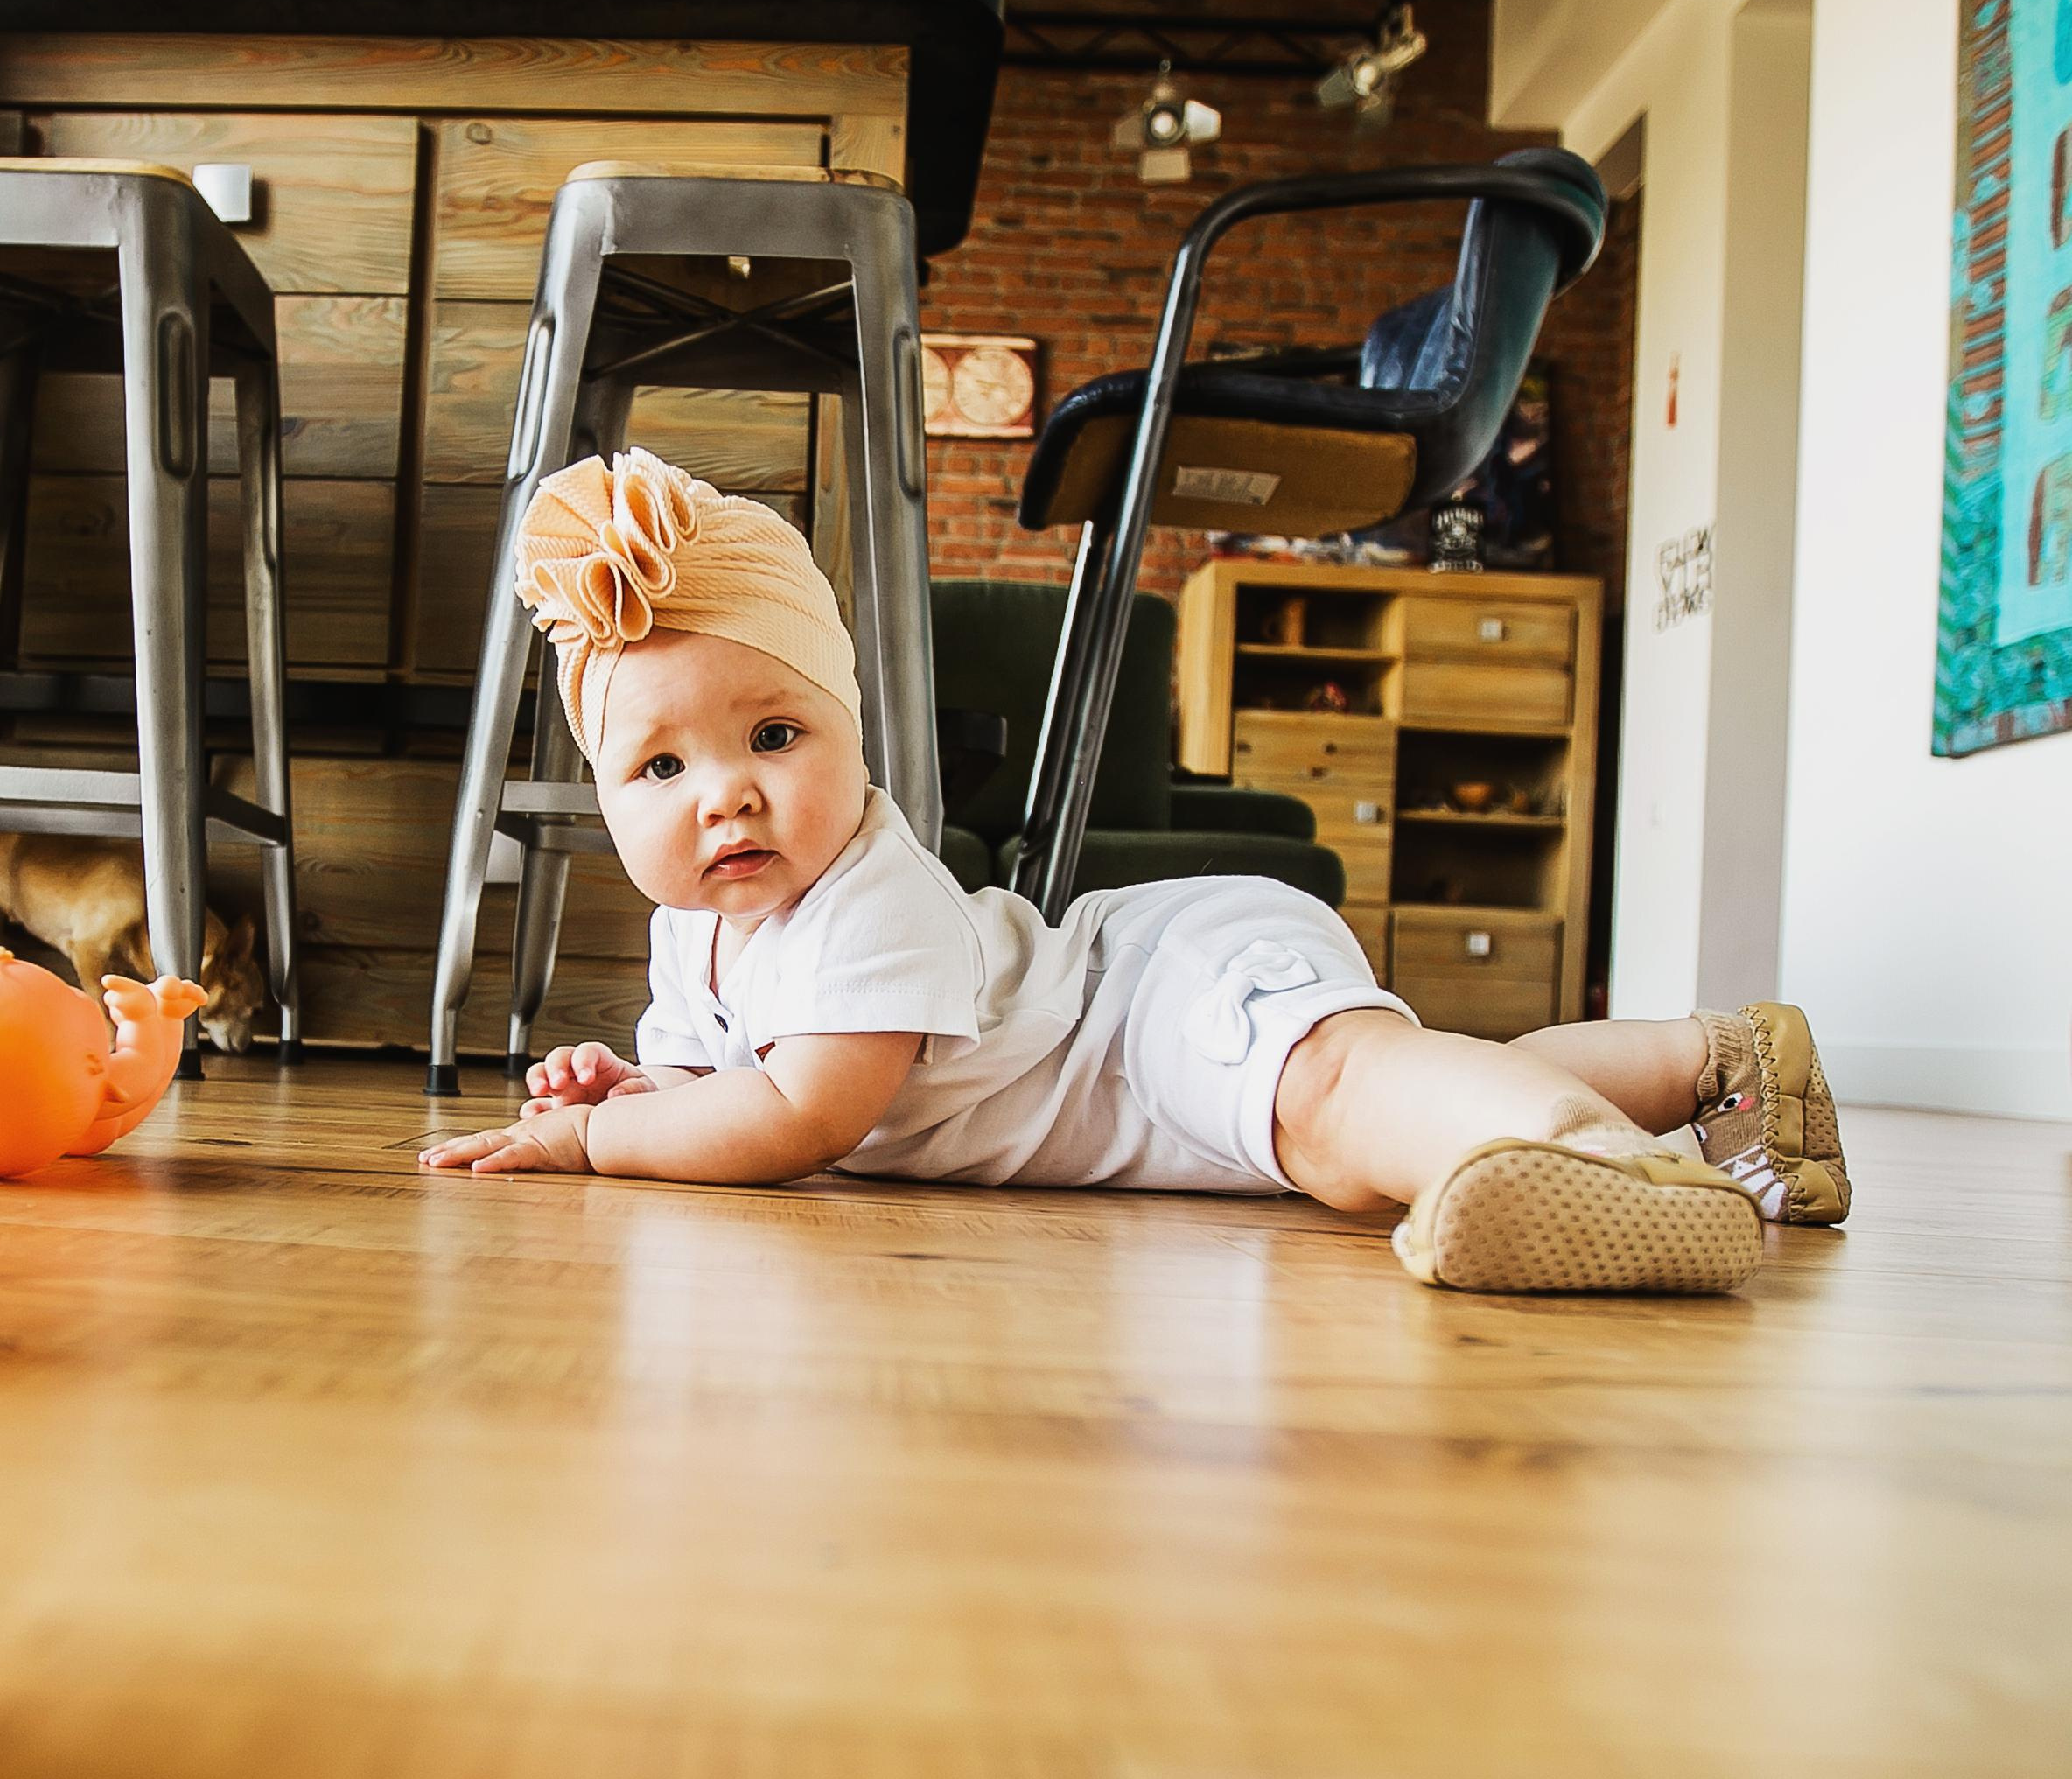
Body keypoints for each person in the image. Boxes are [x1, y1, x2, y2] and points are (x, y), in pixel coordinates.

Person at [420, 450, 1852, 1295]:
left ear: (854, 735)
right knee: (1371, 1125)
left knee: (1339, 1102)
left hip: (1152, 995)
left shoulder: (865, 891)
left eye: (774, 735)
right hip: (1136, 1077)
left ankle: (1604, 1176)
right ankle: (1717, 1067)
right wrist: (633, 1089)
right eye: (659, 769)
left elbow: (797, 1115)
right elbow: (714, 1085)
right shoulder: (699, 932)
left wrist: (594, 1147)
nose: (725, 793)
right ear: (606, 799)